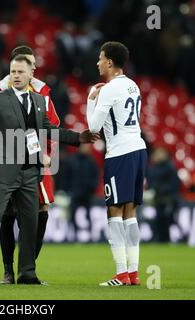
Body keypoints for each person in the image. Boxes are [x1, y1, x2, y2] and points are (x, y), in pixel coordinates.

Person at [0, 55, 98, 285]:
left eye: (20, 72)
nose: (15, 75)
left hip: (30, 173)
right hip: (3, 171)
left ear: (31, 74)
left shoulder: (39, 101)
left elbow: (49, 129)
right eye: (12, 71)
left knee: (30, 225)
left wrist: (78, 138)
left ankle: (27, 273)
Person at [0, 45, 61, 285]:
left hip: (33, 162)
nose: (23, 71)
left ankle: (27, 270)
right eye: (17, 68)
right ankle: (7, 270)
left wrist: (48, 153)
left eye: (28, 65)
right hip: (5, 162)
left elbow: (49, 128)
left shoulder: (42, 93)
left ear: (32, 69)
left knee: (38, 213)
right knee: (4, 214)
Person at [86, 41, 147, 286]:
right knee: (130, 212)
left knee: (114, 211)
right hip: (138, 149)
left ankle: (121, 273)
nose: (98, 62)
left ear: (110, 62)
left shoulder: (108, 89)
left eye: (100, 58)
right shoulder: (133, 86)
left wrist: (92, 98)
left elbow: (92, 128)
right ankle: (133, 272)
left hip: (120, 153)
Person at [61, 144, 99, 241]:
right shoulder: (71, 160)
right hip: (74, 193)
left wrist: (92, 188)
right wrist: (67, 190)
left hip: (87, 193)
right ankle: (73, 235)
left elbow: (95, 176)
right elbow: (65, 176)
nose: (86, 149)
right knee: (72, 215)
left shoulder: (91, 161)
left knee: (88, 215)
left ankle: (91, 235)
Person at [147, 147, 181, 242]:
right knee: (159, 220)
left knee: (168, 220)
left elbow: (174, 184)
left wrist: (160, 190)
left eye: (160, 153)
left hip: (168, 199)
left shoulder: (170, 167)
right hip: (158, 200)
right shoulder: (153, 168)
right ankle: (160, 239)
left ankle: (177, 238)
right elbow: (150, 183)